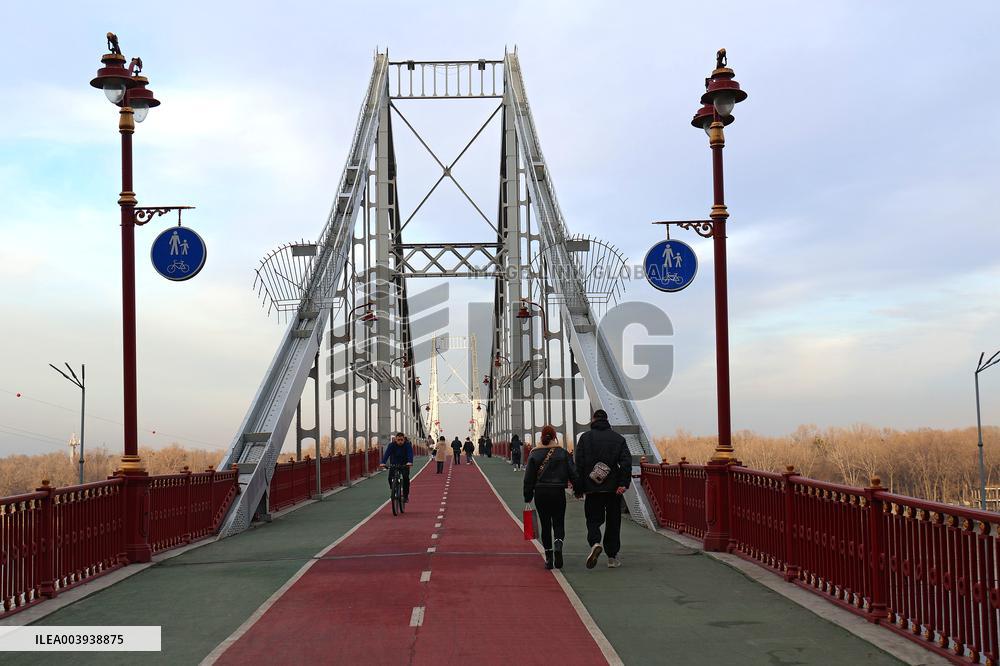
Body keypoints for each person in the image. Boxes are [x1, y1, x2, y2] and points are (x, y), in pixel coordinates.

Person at [574, 409, 631, 569]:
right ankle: (612, 557)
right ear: (607, 420)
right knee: (613, 522)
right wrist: (623, 484)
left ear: (593, 420)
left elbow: (579, 464)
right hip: (613, 489)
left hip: (592, 489)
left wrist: (578, 488)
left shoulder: (585, 438)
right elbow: (626, 463)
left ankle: (595, 543)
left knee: (593, 519)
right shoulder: (618, 439)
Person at [523, 425, 578, 569]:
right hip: (558, 492)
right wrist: (578, 490)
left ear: (541, 437)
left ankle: (549, 557)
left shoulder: (534, 454)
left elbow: (528, 478)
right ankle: (558, 544)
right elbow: (573, 473)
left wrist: (528, 495)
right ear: (555, 437)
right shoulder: (562, 453)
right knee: (558, 522)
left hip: (541, 493)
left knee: (545, 524)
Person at [380, 432, 414, 503]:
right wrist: (383, 462)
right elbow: (387, 454)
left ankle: (405, 496)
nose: (400, 442)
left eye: (401, 440)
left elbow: (410, 453)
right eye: (398, 440)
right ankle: (393, 490)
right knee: (390, 478)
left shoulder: (407, 445)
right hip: (394, 464)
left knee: (405, 479)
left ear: (404, 439)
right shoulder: (391, 445)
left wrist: (410, 462)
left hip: (405, 464)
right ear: (395, 439)